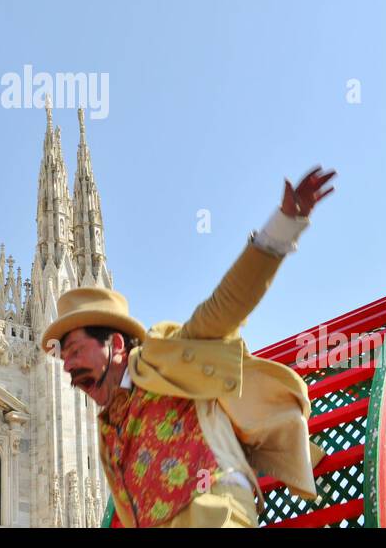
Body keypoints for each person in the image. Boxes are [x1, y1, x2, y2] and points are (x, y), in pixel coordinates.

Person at [44, 166, 334, 528]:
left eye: (74, 351)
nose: (68, 367)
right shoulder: (108, 431)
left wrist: (282, 227)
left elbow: (225, 306)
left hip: (215, 511)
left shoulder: (164, 357)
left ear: (115, 344)